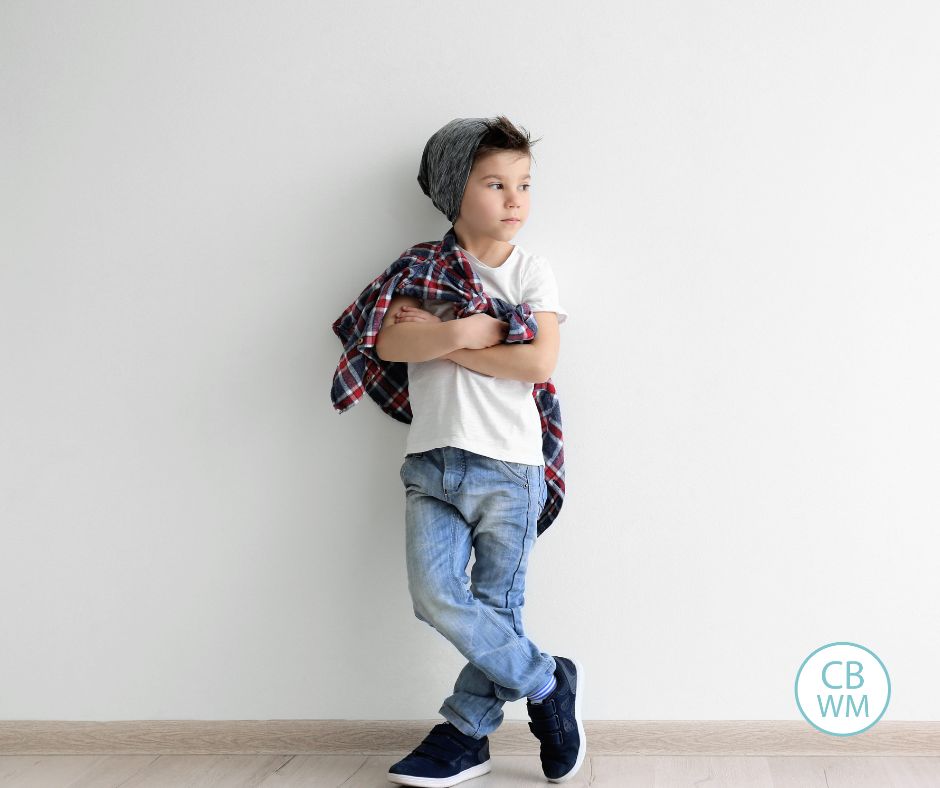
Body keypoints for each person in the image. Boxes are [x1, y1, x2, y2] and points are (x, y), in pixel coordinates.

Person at [377, 116, 586, 786]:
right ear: (453, 191)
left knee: (496, 605)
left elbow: (539, 361)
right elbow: (390, 345)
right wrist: (468, 329)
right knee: (434, 594)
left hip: (508, 465)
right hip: (432, 465)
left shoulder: (532, 272)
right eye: (496, 183)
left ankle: (465, 734)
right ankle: (546, 680)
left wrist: (450, 338)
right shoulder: (422, 268)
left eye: (524, 183)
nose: (516, 199)